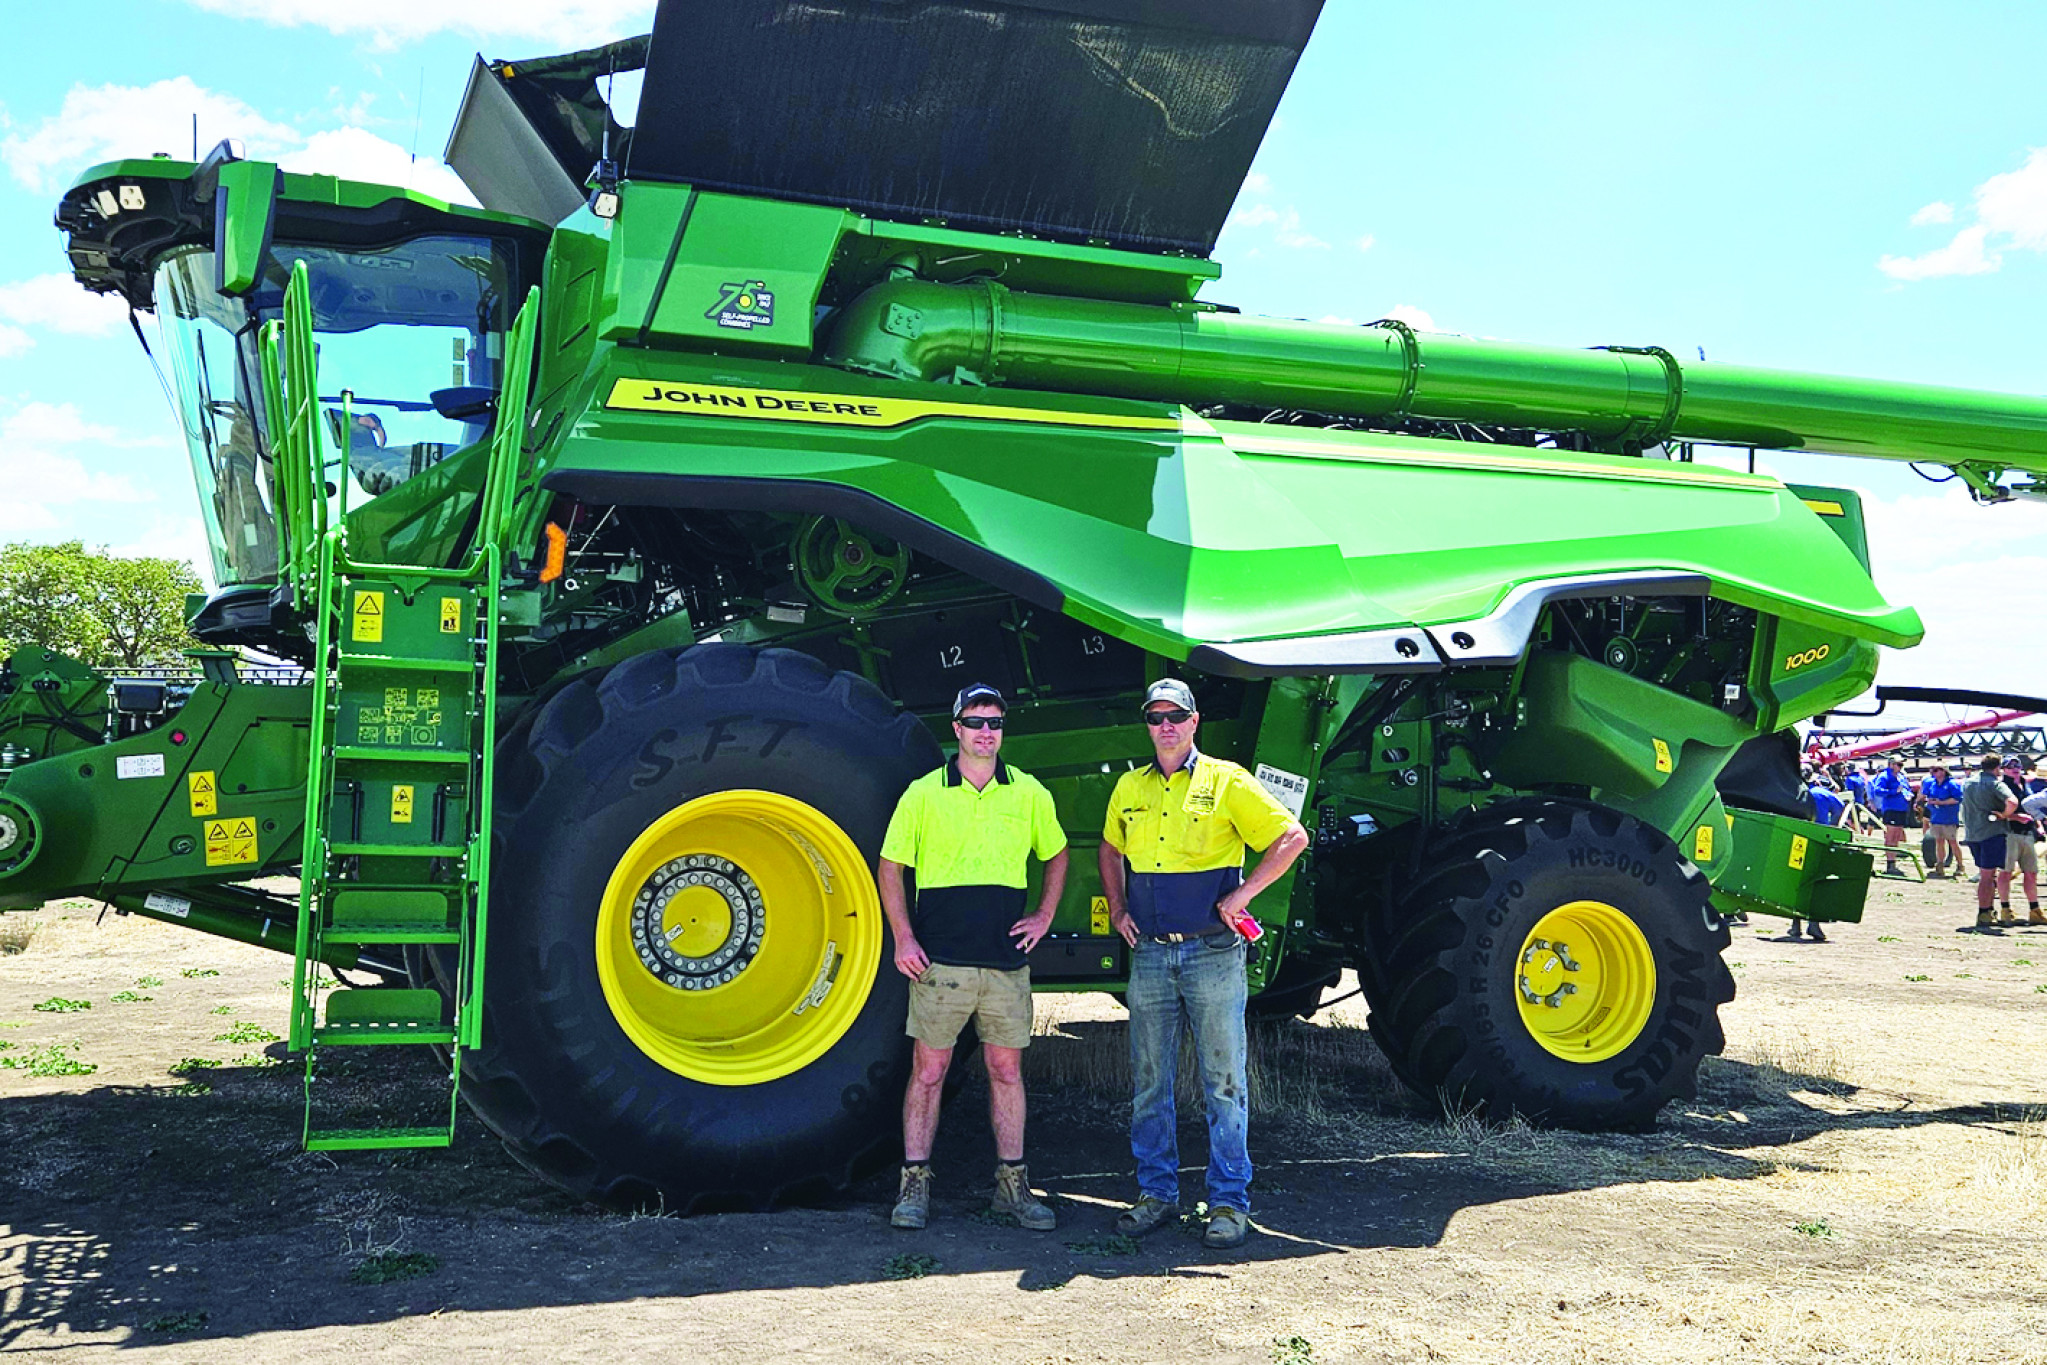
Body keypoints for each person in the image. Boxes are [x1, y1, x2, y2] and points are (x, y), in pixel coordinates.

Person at [1098, 679, 1309, 1250]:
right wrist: (1118, 906)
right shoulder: (1128, 786)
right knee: (1149, 1081)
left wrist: (1243, 898)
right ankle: (1156, 1195)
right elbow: (1110, 847)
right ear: (1148, 724)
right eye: (1155, 716)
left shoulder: (1227, 780)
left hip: (1213, 953)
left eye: (1176, 716)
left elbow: (1291, 837)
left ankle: (1228, 1203)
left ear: (1195, 722)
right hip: (1150, 955)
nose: (1165, 725)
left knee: (1223, 1083)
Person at [879, 683, 1070, 1232]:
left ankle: (1012, 1189)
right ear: (956, 730)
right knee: (930, 1070)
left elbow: (1056, 855)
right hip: (941, 962)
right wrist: (904, 938)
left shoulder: (1028, 792)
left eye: (995, 723)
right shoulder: (923, 793)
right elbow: (891, 865)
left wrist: (1043, 917)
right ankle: (913, 1187)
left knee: (1006, 1071)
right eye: (975, 721)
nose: (987, 731)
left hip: (1006, 963)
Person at [1960, 754, 2019, 933]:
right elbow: (2012, 801)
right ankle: (1985, 913)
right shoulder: (1995, 783)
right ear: (1997, 767)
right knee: (1988, 876)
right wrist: (2004, 815)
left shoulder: (1968, 782)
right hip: (1991, 833)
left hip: (1972, 833)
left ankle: (1985, 911)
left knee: (1984, 874)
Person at [1999, 761, 2042, 923]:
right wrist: (2015, 817)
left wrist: (2038, 825)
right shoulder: (2001, 787)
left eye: (2017, 766)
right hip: (2009, 832)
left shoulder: (2026, 784)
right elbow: (1994, 812)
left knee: (2031, 872)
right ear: (2004, 770)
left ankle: (2035, 910)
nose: (2015, 769)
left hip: (2027, 833)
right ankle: (2005, 909)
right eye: (2010, 767)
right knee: (2006, 872)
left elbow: (2032, 808)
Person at [1868, 758, 1912, 875]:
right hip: (1891, 809)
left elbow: (1906, 788)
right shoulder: (1884, 776)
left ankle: (1894, 863)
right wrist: (1893, 791)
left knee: (1897, 836)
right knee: (1890, 836)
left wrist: (1908, 794)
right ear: (1891, 764)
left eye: (1902, 764)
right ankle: (1890, 864)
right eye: (1898, 764)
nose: (1901, 766)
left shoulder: (1901, 776)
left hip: (1901, 809)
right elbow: (1878, 791)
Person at [1920, 764, 1964, 879]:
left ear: (1943, 771)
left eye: (1935, 770)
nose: (1933, 772)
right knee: (1939, 841)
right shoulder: (1933, 784)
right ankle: (1940, 865)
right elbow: (1927, 796)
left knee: (1953, 842)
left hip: (1949, 818)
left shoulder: (1951, 784)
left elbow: (1957, 799)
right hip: (1936, 817)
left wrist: (1941, 802)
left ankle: (1960, 865)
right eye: (1932, 770)